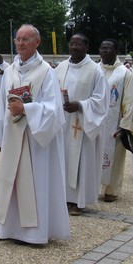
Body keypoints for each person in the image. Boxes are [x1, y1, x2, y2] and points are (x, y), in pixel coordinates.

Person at [0, 24, 70, 245]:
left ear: (37, 43)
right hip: (13, 135)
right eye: (18, 40)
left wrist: (27, 109)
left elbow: (54, 109)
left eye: (25, 40)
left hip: (35, 139)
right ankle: (8, 228)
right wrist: (0, 136)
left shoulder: (47, 72)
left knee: (34, 182)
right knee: (10, 181)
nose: (20, 44)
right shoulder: (11, 71)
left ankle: (34, 233)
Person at [55, 33, 109, 215]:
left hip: (84, 123)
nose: (74, 47)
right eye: (72, 44)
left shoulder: (95, 70)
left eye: (78, 44)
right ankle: (62, 197)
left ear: (87, 47)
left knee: (81, 161)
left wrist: (80, 105)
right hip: (63, 124)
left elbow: (101, 100)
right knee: (63, 159)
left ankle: (79, 201)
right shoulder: (61, 67)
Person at [99, 39, 133, 202]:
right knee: (94, 155)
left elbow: (130, 99)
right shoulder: (95, 70)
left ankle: (111, 189)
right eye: (102, 48)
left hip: (115, 123)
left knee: (114, 157)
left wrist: (126, 124)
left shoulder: (125, 73)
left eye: (108, 48)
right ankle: (92, 187)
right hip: (95, 122)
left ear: (116, 51)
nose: (104, 51)